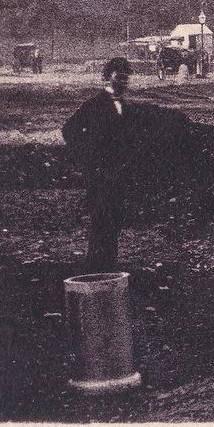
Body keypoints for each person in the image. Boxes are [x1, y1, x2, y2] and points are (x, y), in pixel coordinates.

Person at [62, 57, 136, 272]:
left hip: (119, 172)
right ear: (107, 77)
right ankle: (95, 266)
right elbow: (69, 130)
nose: (122, 80)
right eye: (118, 75)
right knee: (100, 218)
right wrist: (88, 156)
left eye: (126, 76)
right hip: (99, 172)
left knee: (114, 217)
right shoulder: (94, 104)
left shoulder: (126, 107)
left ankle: (110, 264)